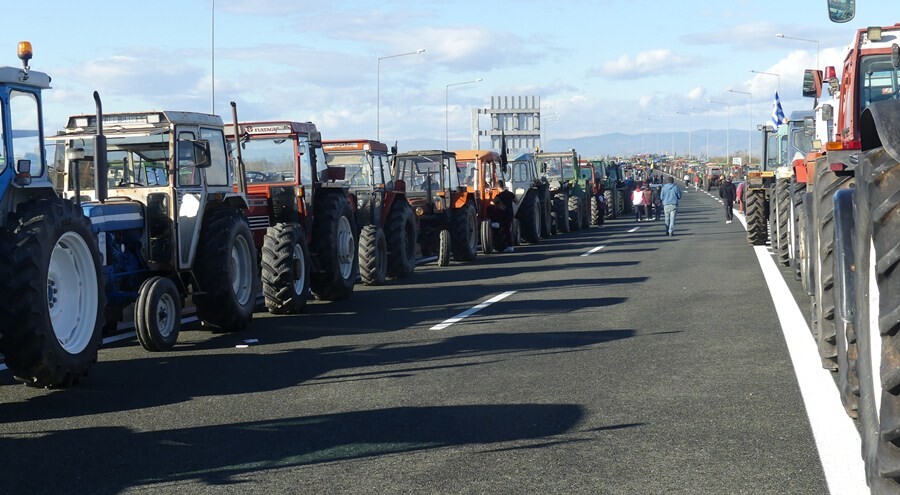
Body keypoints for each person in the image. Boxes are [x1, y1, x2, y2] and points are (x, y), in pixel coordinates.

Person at [490, 180, 517, 252]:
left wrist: (497, 204)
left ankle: (510, 246)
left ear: (497, 187)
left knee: (505, 230)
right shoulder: (510, 194)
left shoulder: (498, 196)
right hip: (510, 213)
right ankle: (509, 245)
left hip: (503, 214)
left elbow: (492, 203)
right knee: (508, 229)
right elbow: (516, 200)